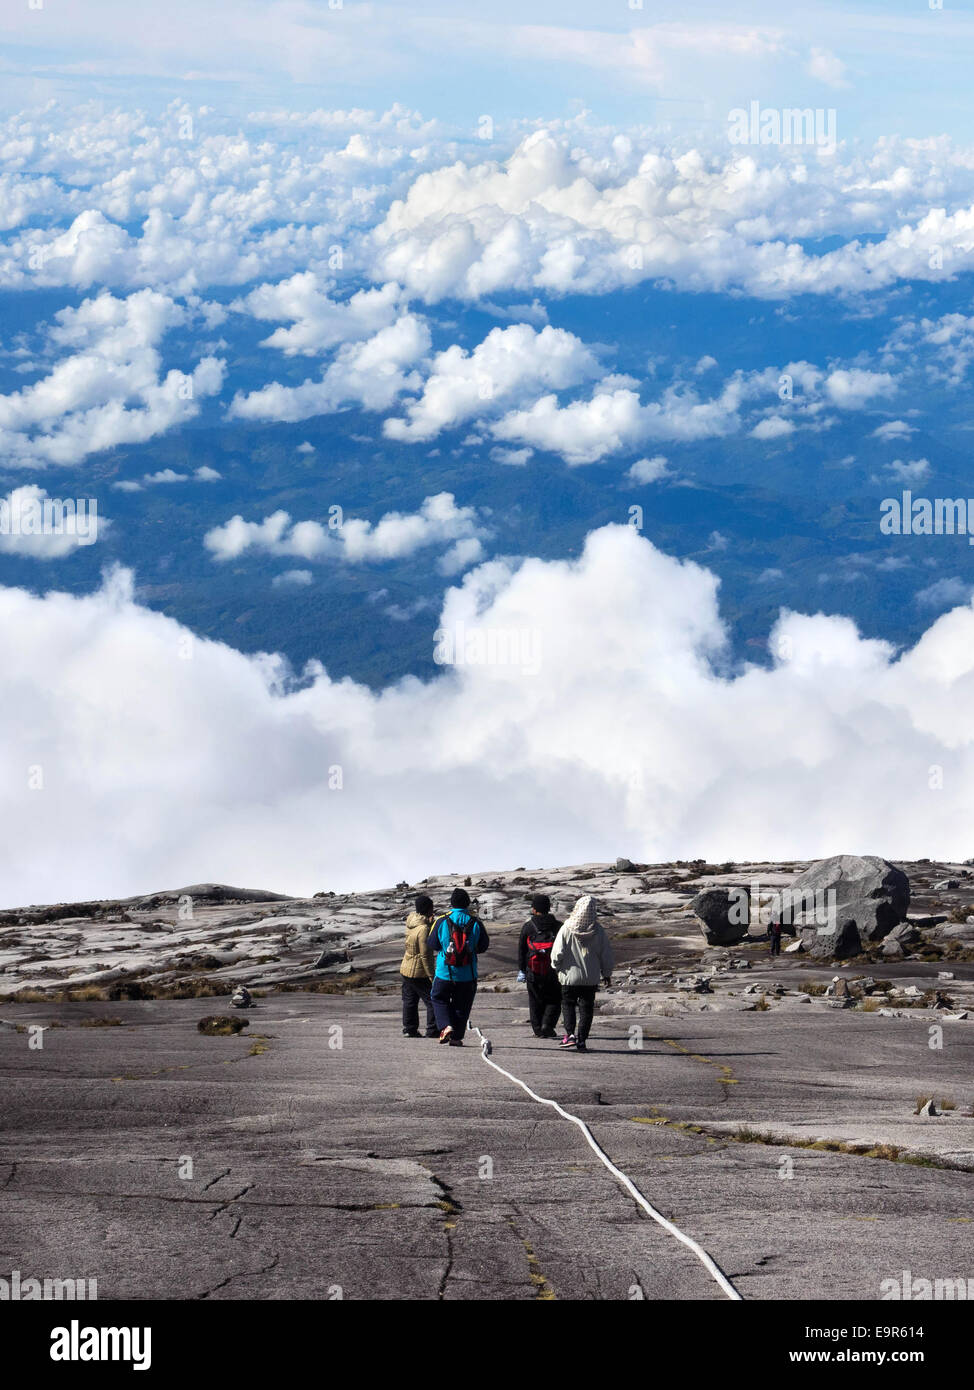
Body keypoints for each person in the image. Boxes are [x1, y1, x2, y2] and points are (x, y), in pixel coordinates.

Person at [550, 895, 613, 1053]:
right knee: (586, 1009)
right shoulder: (598, 930)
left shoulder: (567, 928)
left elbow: (557, 953)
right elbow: (606, 955)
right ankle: (582, 1040)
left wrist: (556, 967)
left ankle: (570, 1035)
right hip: (590, 978)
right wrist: (607, 974)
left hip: (569, 977)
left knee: (568, 1005)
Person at [430, 888, 489, 1046]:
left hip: (445, 972)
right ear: (468, 903)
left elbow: (433, 944)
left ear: (451, 903)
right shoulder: (475, 922)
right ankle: (456, 1038)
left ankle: (445, 1026)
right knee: (462, 1006)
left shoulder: (442, 920)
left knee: (438, 997)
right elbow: (483, 946)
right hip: (467, 974)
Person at [517, 894, 562, 1038]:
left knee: (535, 999)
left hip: (533, 970)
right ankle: (547, 1025)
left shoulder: (528, 926)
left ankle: (538, 1029)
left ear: (534, 909)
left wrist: (522, 970)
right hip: (553, 970)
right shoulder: (558, 926)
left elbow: (521, 950)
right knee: (554, 998)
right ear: (549, 908)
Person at [399, 895, 438, 1037]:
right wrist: (431, 976)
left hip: (406, 968)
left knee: (410, 1000)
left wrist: (429, 923)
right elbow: (425, 955)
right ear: (428, 909)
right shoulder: (423, 929)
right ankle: (433, 1030)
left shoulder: (411, 922)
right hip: (418, 972)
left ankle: (409, 1029)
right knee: (433, 999)